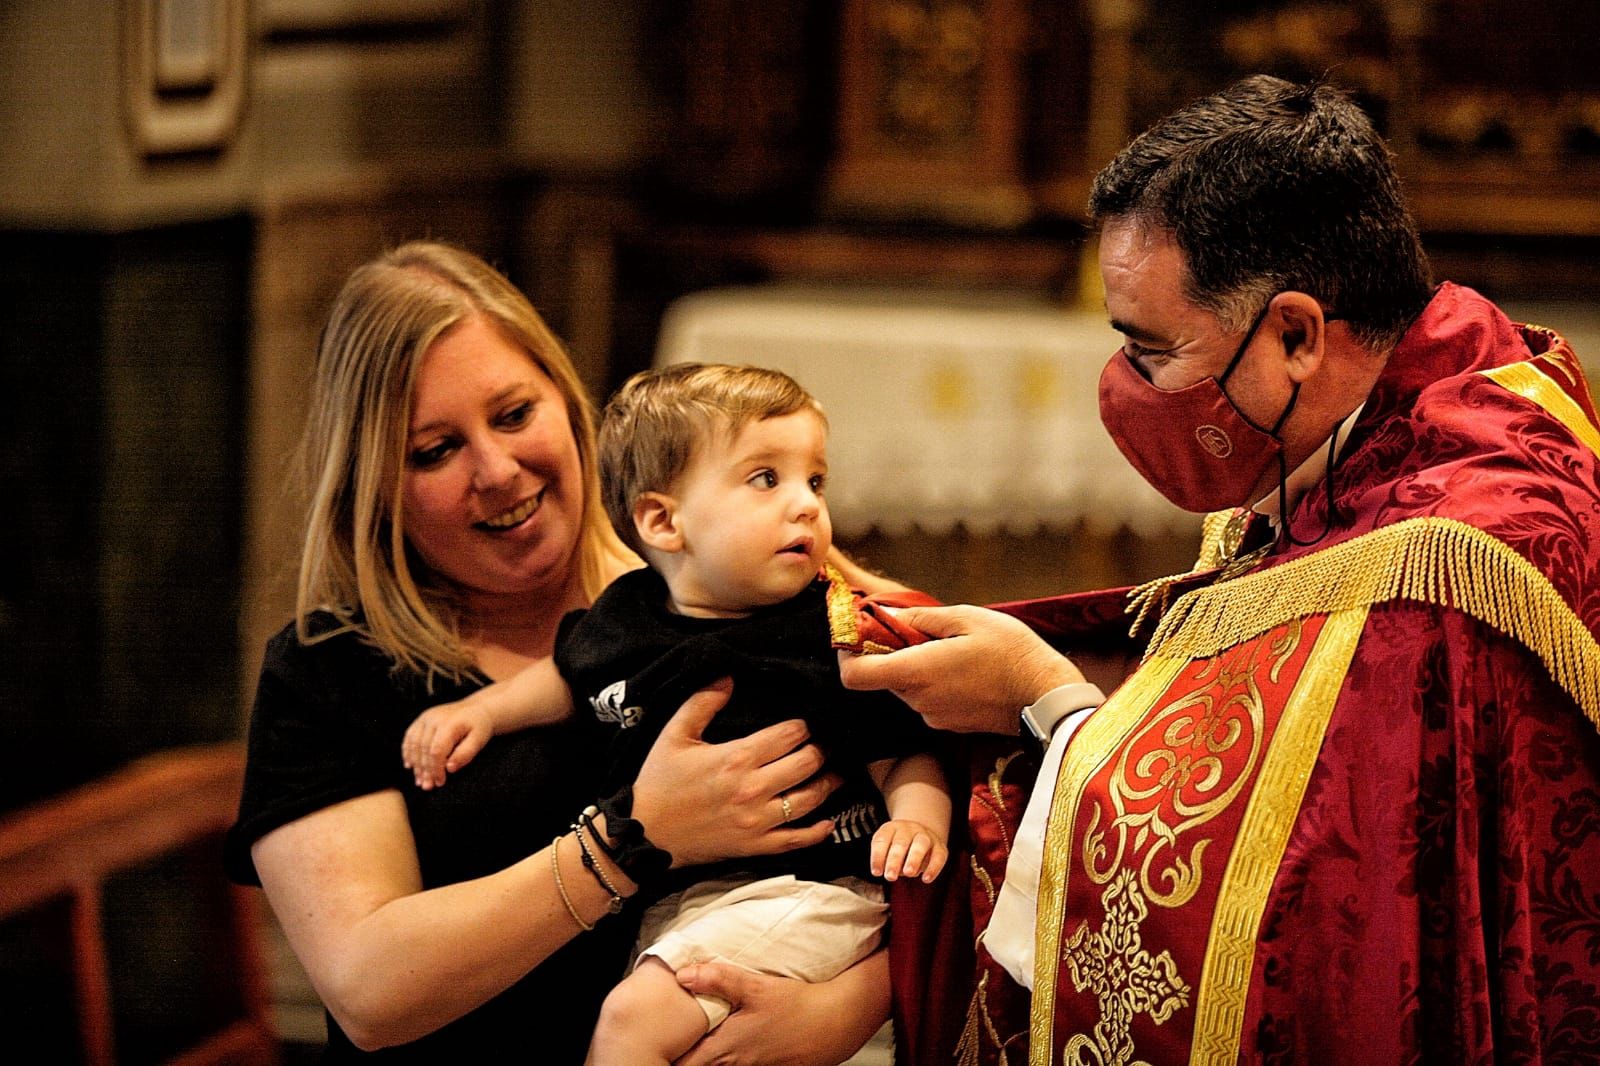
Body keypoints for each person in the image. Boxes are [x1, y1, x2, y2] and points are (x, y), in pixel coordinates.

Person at [840, 75, 1600, 1064]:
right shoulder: (1437, 396)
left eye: (1149, 348)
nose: (1125, 386)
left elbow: (1290, 918)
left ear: (1293, 333)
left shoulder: (1444, 576)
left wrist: (1043, 703)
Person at [224, 242, 901, 1063]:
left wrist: (849, 1005)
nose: (499, 470)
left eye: (514, 415)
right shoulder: (327, 669)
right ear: (375, 484)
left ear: (568, 403)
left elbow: (943, 818)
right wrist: (630, 841)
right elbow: (370, 991)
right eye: (435, 450)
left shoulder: (748, 591)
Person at [401, 362, 952, 1065]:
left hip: (810, 889)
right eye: (765, 479)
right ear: (664, 520)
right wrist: (483, 712)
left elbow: (902, 748)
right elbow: (571, 679)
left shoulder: (820, 630)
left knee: (630, 1027)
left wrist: (916, 821)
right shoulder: (628, 615)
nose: (807, 505)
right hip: (687, 898)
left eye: (814, 481)